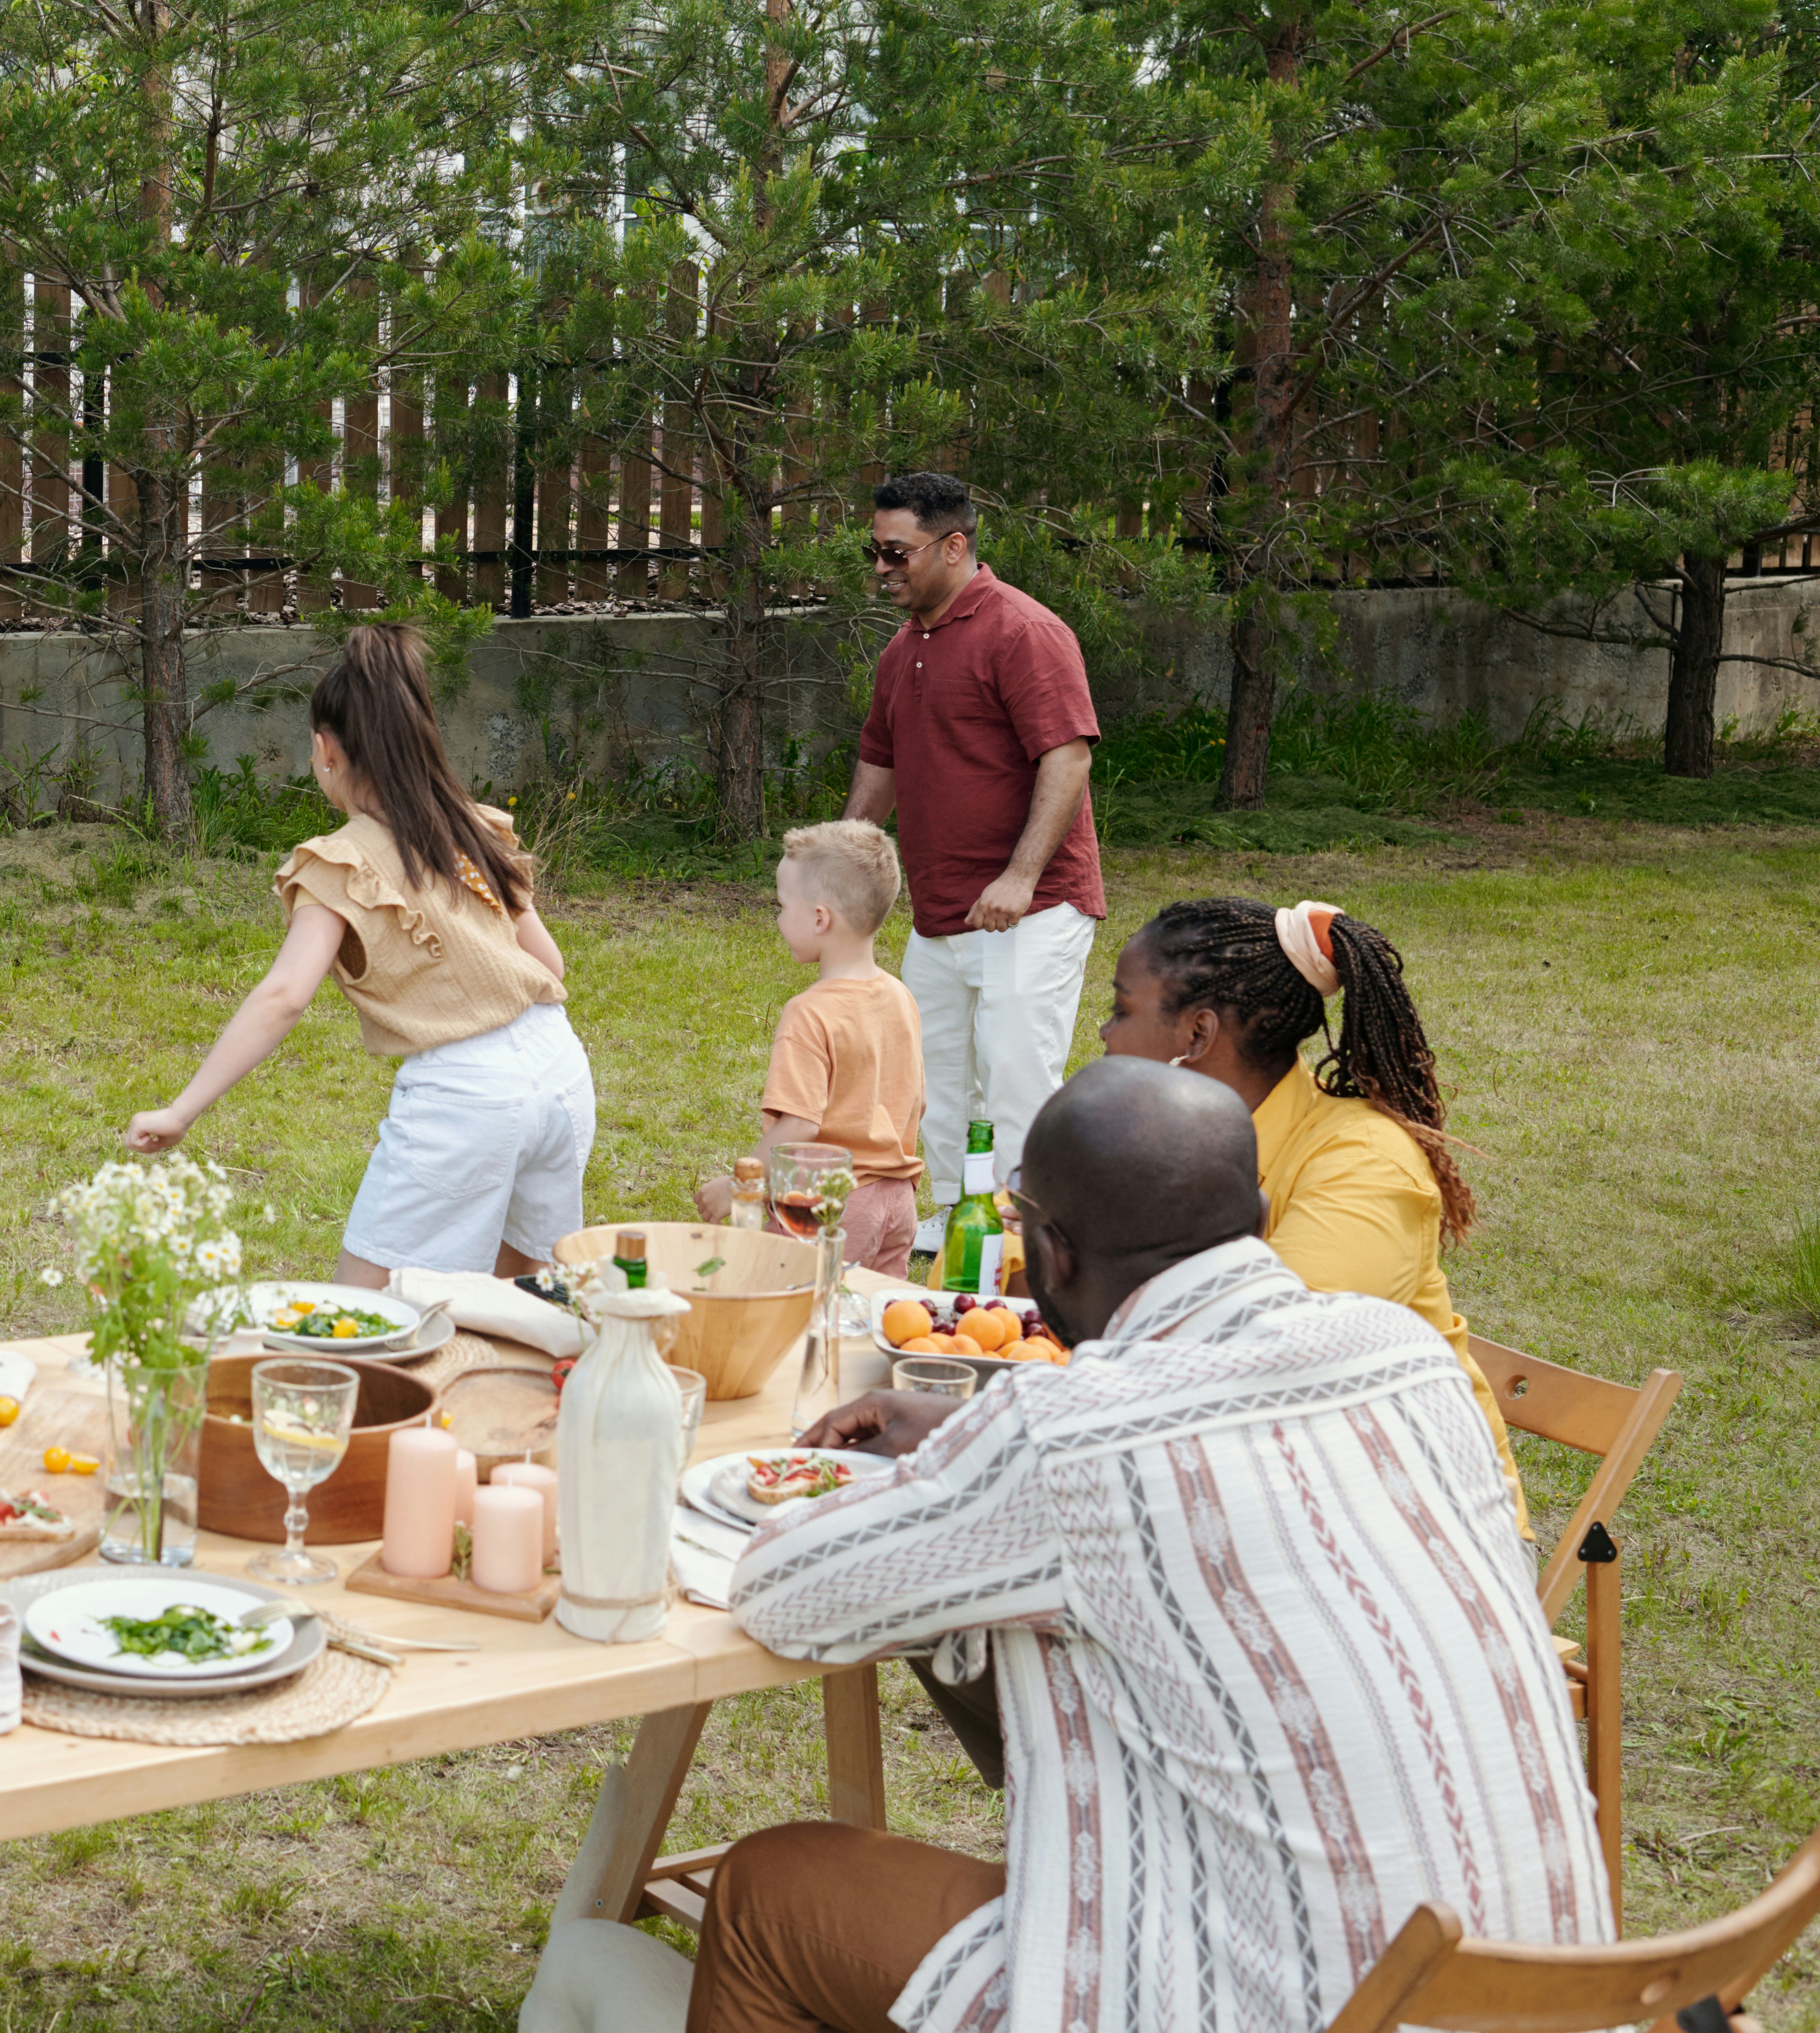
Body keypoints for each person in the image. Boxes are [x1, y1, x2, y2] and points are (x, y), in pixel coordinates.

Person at [685, 1057, 1600, 2033]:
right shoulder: (1405, 1355)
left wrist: (963, 1460)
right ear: (1254, 1210)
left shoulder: (1072, 1432)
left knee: (767, 1890)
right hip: (1548, 2000)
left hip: (1273, 2005)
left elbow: (786, 1589)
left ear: (1050, 1251)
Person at [126, 624, 594, 1287]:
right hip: (560, 1069)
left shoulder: (338, 864)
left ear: (325, 750)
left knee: (371, 1313)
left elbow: (285, 996)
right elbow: (551, 968)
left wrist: (181, 1110)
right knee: (524, 1299)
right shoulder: (469, 827)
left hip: (466, 1092)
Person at [1097, 893, 1523, 1513]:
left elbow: (1272, 1362)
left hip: (1420, 1519)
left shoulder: (1366, 1161)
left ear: (1198, 1033)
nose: (1105, 1033)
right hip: (1255, 1477)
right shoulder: (1152, 1130)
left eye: (1120, 1009)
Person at [839, 471, 1102, 1250]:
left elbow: (1067, 758)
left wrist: (1019, 877)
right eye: (874, 551)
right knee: (935, 1085)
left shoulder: (1023, 631)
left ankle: (1025, 1236)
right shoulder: (903, 649)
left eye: (896, 553)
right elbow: (879, 764)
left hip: (1035, 908)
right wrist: (839, 868)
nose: (881, 568)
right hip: (939, 914)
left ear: (953, 546)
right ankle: (951, 1221)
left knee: (1017, 1081)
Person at [689, 819, 925, 1268]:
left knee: (797, 1318)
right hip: (898, 1201)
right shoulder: (901, 996)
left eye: (781, 905)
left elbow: (800, 1126)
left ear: (820, 918)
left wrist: (741, 1184)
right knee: (868, 1324)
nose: (778, 917)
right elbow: (920, 1100)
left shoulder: (809, 1012)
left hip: (828, 1205)